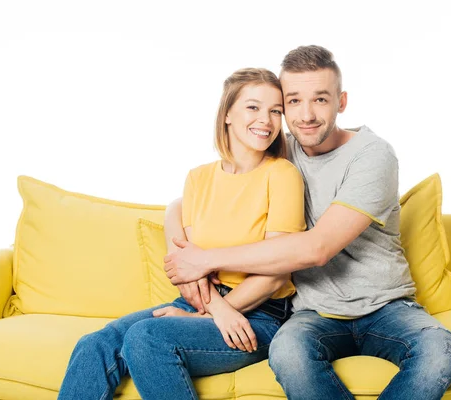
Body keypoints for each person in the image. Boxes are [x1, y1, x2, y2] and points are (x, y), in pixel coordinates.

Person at [163, 45, 451, 400]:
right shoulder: (279, 152)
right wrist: (176, 239)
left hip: (385, 306)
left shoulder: (372, 154)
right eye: (293, 102)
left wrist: (207, 259)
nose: (306, 115)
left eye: (320, 100)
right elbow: (189, 199)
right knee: (288, 353)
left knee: (440, 350)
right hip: (312, 312)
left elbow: (317, 249)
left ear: (342, 101)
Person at [57, 68, 306, 400]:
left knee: (147, 338)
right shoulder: (198, 178)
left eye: (276, 111)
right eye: (253, 107)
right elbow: (188, 264)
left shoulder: (282, 174)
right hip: (207, 304)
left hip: (259, 315)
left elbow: (277, 272)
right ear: (227, 113)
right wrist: (211, 309)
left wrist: (210, 313)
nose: (267, 119)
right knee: (95, 344)